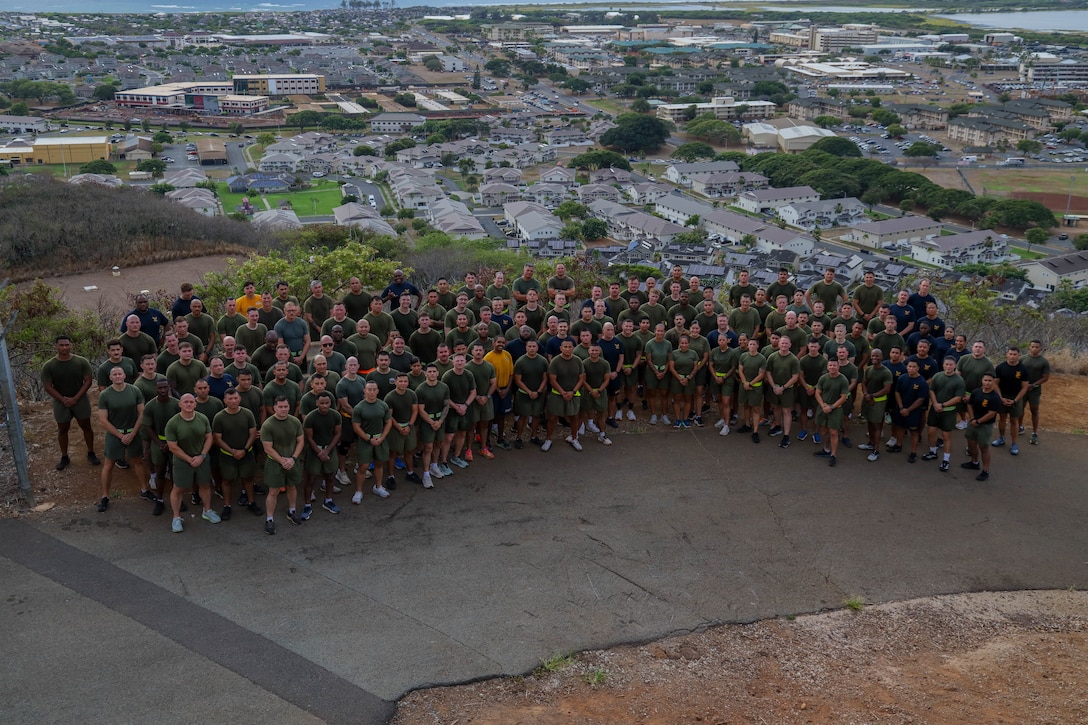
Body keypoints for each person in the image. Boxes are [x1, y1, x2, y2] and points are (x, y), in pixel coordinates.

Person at [42, 336, 100, 471]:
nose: (64, 348)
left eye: (67, 345)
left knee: (86, 426)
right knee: (62, 429)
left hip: (80, 399)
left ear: (71, 345)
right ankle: (64, 456)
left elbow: (88, 381)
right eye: (61, 345)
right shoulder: (49, 365)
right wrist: (63, 399)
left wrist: (75, 398)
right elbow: (48, 386)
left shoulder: (81, 362)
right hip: (60, 401)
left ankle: (91, 452)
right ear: (55, 347)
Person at [96, 366, 147, 512]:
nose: (117, 376)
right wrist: (120, 436)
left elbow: (141, 414)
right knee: (109, 464)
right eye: (114, 374)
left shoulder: (135, 390)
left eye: (120, 374)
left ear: (124, 375)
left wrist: (132, 434)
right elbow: (103, 420)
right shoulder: (105, 395)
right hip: (115, 434)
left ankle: (144, 490)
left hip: (133, 432)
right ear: (110, 378)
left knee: (137, 461)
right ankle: (105, 496)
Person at [164, 393, 216, 532]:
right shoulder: (173, 423)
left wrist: (202, 455)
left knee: (205, 484)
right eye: (185, 402)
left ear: (195, 404)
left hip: (202, 458)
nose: (188, 404)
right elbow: (172, 446)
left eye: (191, 402)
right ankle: (176, 517)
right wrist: (189, 459)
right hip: (182, 460)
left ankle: (207, 510)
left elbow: (209, 437)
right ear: (180, 404)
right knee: (178, 488)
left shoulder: (202, 418)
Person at [261, 396, 306, 534]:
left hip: (292, 461)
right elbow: (267, 448)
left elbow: (300, 441)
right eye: (280, 407)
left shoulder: (295, 421)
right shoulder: (268, 425)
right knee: (273, 491)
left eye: (286, 406)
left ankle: (292, 512)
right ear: (274, 407)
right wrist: (282, 461)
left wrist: (293, 458)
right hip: (275, 463)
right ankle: (269, 519)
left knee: (292, 487)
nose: (283, 409)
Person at [213, 387, 260, 518]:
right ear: (225, 400)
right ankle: (227, 506)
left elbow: (252, 433)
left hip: (247, 453)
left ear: (239, 399)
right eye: (230, 399)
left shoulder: (247, 414)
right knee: (227, 481)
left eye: (235, 398)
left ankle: (251, 502)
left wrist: (244, 450)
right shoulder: (219, 417)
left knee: (248, 479)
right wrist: (233, 451)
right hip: (227, 455)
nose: (233, 401)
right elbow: (217, 438)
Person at [351, 381, 393, 502]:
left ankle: (378, 486)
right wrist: (368, 439)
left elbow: (388, 422)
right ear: (364, 391)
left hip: (380, 439)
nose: (372, 392)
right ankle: (358, 491)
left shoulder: (383, 405)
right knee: (363, 467)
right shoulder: (359, 407)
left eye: (374, 389)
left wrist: (382, 438)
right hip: (365, 440)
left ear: (378, 391)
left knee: (379, 463)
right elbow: (356, 426)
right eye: (369, 390)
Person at [922, 356, 966, 472]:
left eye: (951, 365)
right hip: (935, 409)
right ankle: (932, 452)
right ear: (943, 365)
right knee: (931, 432)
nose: (948, 367)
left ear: (955, 366)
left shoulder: (959, 380)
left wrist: (943, 405)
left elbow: (958, 398)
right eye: (946, 364)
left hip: (949, 412)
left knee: (946, 436)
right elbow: (931, 390)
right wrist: (936, 404)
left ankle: (946, 460)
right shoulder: (937, 376)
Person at [303, 391, 342, 518]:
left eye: (327, 403)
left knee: (330, 476)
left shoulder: (335, 415)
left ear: (331, 403)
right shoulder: (310, 417)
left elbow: (337, 434)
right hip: (315, 450)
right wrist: (319, 452)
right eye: (322, 403)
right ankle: (307, 505)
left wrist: (327, 450)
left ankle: (328, 501)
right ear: (317, 403)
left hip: (329, 449)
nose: (325, 406)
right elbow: (309, 437)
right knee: (311, 478)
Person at [544, 339, 585, 452]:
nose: (567, 349)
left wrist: (572, 392)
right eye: (565, 347)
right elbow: (552, 379)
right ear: (561, 348)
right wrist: (563, 392)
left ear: (573, 348)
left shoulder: (578, 361)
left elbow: (582, 378)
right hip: (557, 394)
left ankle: (574, 438)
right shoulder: (555, 361)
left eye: (570, 347)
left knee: (574, 417)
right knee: (552, 418)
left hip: (573, 394)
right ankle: (548, 439)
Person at [383, 373, 421, 491]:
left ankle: (410, 473)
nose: (403, 383)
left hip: (408, 426)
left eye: (405, 381)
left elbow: (415, 411)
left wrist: (410, 425)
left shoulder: (412, 394)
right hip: (395, 428)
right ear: (395, 382)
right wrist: (399, 428)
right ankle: (390, 476)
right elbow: (389, 415)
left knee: (409, 451)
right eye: (400, 381)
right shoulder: (390, 397)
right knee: (393, 453)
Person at [415, 363, 450, 487]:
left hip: (440, 420)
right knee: (428, 447)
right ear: (425, 373)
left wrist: (440, 421)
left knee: (438, 444)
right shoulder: (420, 389)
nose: (432, 374)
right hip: (427, 422)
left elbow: (446, 405)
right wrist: (432, 423)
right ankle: (426, 474)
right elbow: (420, 410)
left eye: (434, 371)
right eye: (429, 372)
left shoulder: (444, 387)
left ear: (438, 373)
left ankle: (434, 466)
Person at [962, 373, 1002, 481]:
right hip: (973, 422)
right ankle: (974, 462)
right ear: (982, 381)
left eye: (990, 381)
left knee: (984, 447)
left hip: (985, 426)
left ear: (993, 382)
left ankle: (985, 470)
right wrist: (972, 418)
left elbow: (991, 413)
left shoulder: (995, 397)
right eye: (985, 380)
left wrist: (978, 421)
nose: (987, 383)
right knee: (971, 444)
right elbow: (970, 405)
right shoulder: (976, 392)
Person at [992, 346, 1031, 455]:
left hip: (1016, 397)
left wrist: (1015, 400)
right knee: (1002, 418)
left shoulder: (1023, 369)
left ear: (1018, 355)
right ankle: (1001, 438)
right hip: (1002, 396)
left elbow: (1024, 387)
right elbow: (995, 383)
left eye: (1015, 354)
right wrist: (1000, 397)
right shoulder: (1000, 367)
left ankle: (1014, 443)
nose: (1012, 356)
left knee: (1014, 421)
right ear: (1007, 355)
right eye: (1010, 354)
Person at [813, 358, 851, 467]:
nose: (832, 367)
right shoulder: (823, 378)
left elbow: (844, 397)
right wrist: (823, 405)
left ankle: (833, 455)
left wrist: (832, 407)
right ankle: (826, 449)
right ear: (827, 366)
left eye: (834, 365)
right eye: (830, 365)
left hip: (835, 409)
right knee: (824, 431)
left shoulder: (843, 380)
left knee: (833, 432)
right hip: (824, 407)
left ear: (838, 366)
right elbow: (817, 393)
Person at [764, 336, 800, 448]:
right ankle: (778, 426)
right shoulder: (772, 357)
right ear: (779, 344)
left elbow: (795, 377)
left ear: (790, 345)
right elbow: (768, 372)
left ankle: (786, 436)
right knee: (776, 407)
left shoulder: (793, 359)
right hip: (774, 388)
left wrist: (783, 388)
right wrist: (774, 386)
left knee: (786, 411)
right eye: (782, 343)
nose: (784, 345)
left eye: (786, 344)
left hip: (787, 389)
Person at [891, 360, 929, 462]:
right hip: (901, 408)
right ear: (907, 367)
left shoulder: (922, 382)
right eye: (909, 366)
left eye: (913, 367)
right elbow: (897, 392)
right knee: (900, 427)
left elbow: (921, 399)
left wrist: (908, 410)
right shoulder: (902, 378)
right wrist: (901, 407)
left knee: (914, 431)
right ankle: (898, 445)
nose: (911, 368)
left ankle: (913, 452)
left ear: (918, 368)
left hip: (914, 411)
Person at [858, 348, 892, 462]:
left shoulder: (886, 372)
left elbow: (886, 389)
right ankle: (870, 443)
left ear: (882, 357)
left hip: (879, 401)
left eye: (877, 356)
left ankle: (876, 450)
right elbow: (864, 383)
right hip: (868, 399)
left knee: (877, 425)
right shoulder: (868, 369)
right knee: (869, 422)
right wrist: (866, 394)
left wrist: (872, 396)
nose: (874, 358)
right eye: (872, 356)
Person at [1021, 339, 1051, 445]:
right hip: (1022, 389)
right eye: (1032, 346)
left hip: (1035, 390)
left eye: (1037, 347)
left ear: (1040, 348)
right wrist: (1023, 385)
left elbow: (1045, 377)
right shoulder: (1022, 359)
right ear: (1029, 347)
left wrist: (1033, 385)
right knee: (1020, 408)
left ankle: (1034, 433)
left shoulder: (1043, 362)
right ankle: (1020, 427)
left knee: (1034, 410)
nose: (1034, 349)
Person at [737, 338, 766, 443]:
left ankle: (755, 431)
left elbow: (761, 374)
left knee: (756, 409)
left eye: (754, 344)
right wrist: (745, 383)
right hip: (744, 385)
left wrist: (750, 384)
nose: (752, 346)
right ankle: (747, 425)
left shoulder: (761, 358)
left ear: (758, 346)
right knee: (746, 406)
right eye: (750, 344)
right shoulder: (743, 356)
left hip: (756, 387)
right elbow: (740, 370)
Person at [274, 302, 310, 369]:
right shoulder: (279, 325)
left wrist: (301, 357)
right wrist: (289, 358)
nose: (291, 313)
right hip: (287, 358)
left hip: (301, 356)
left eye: (293, 310)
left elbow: (307, 341)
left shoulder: (302, 323)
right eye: (289, 311)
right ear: (284, 311)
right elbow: (280, 345)